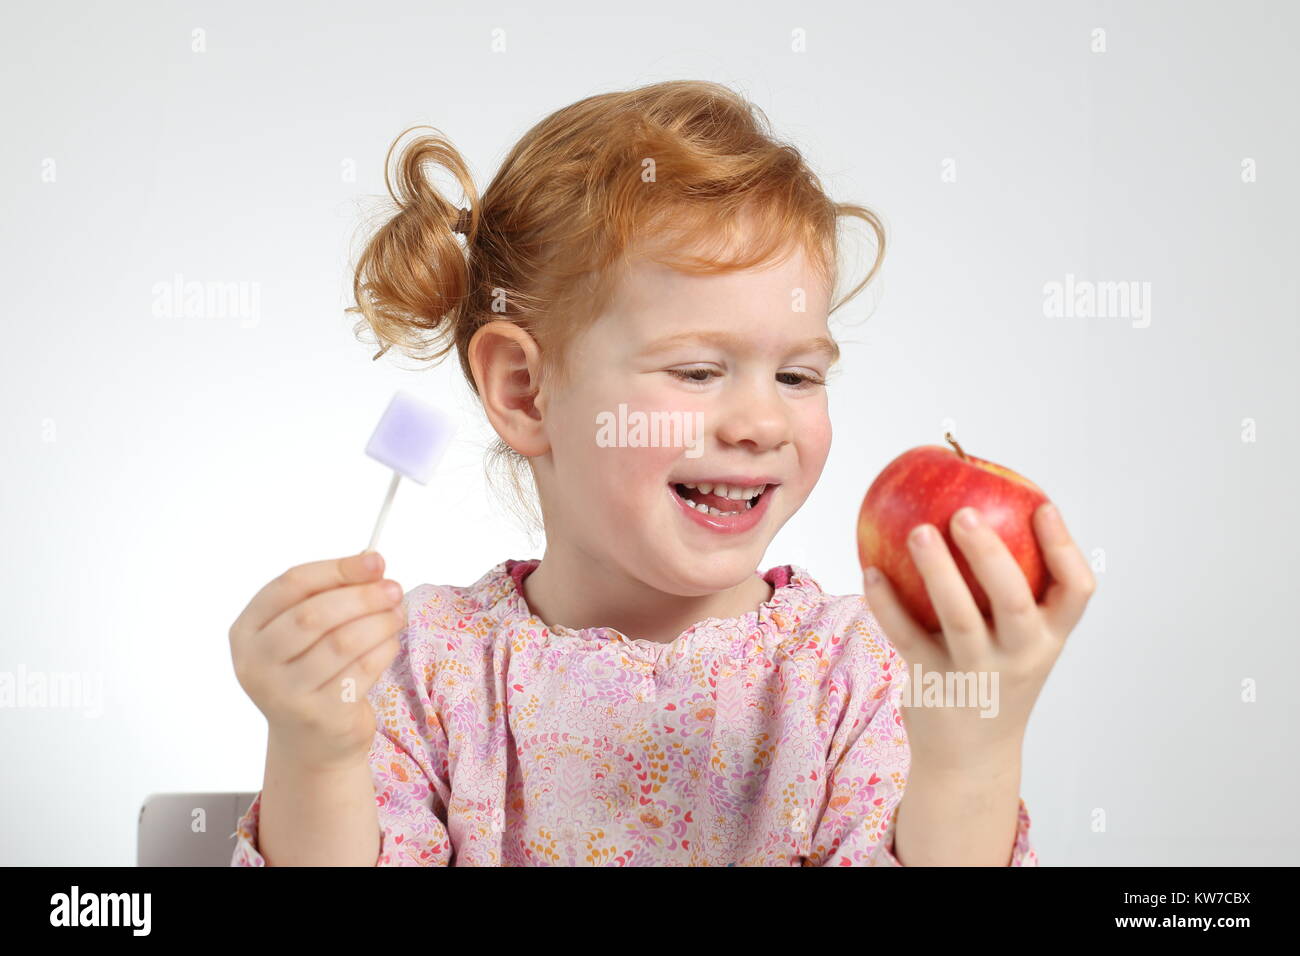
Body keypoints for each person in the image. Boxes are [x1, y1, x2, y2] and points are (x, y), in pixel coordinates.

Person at [227, 80, 1095, 866]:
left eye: (797, 375)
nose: (760, 423)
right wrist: (318, 754)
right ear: (526, 392)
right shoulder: (421, 668)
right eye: (697, 371)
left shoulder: (862, 670)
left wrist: (971, 755)